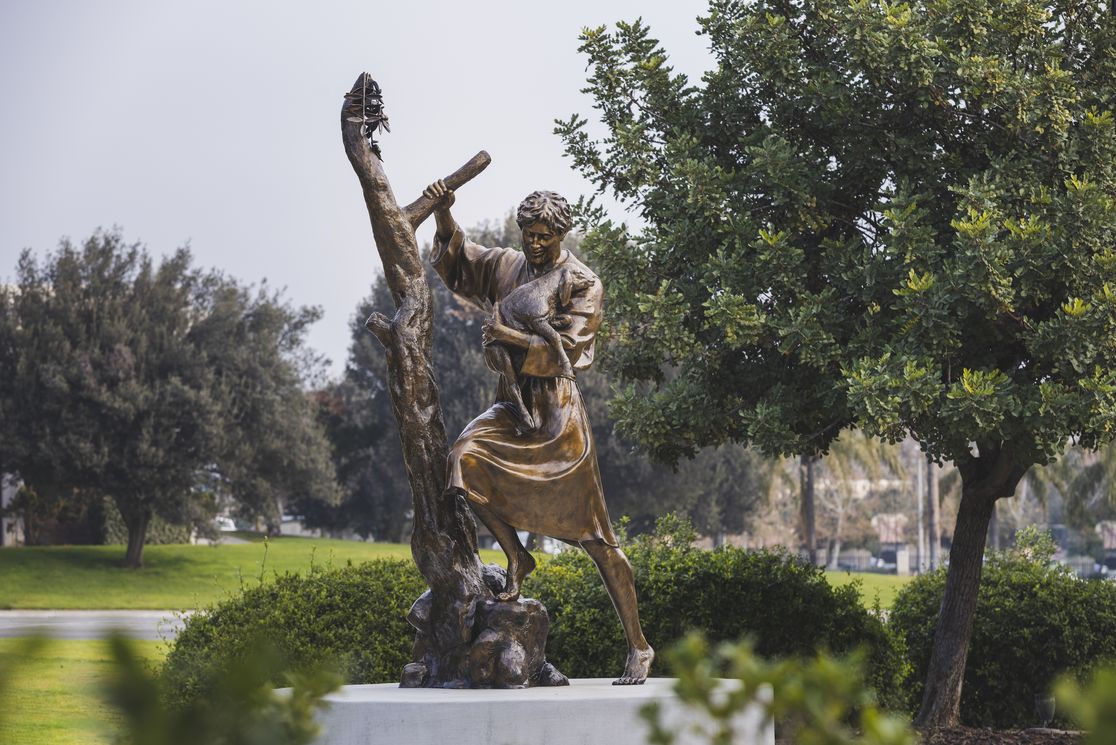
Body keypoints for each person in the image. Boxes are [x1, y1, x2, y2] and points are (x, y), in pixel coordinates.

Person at [425, 179, 654, 685]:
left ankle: (639, 644)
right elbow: (461, 263)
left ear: (561, 233)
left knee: (598, 539)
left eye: (543, 235)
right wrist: (444, 214)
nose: (533, 243)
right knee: (462, 459)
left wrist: (508, 335)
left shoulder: (582, 282)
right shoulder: (509, 265)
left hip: (558, 424)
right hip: (513, 407)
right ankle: (517, 555)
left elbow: (568, 355)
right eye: (527, 233)